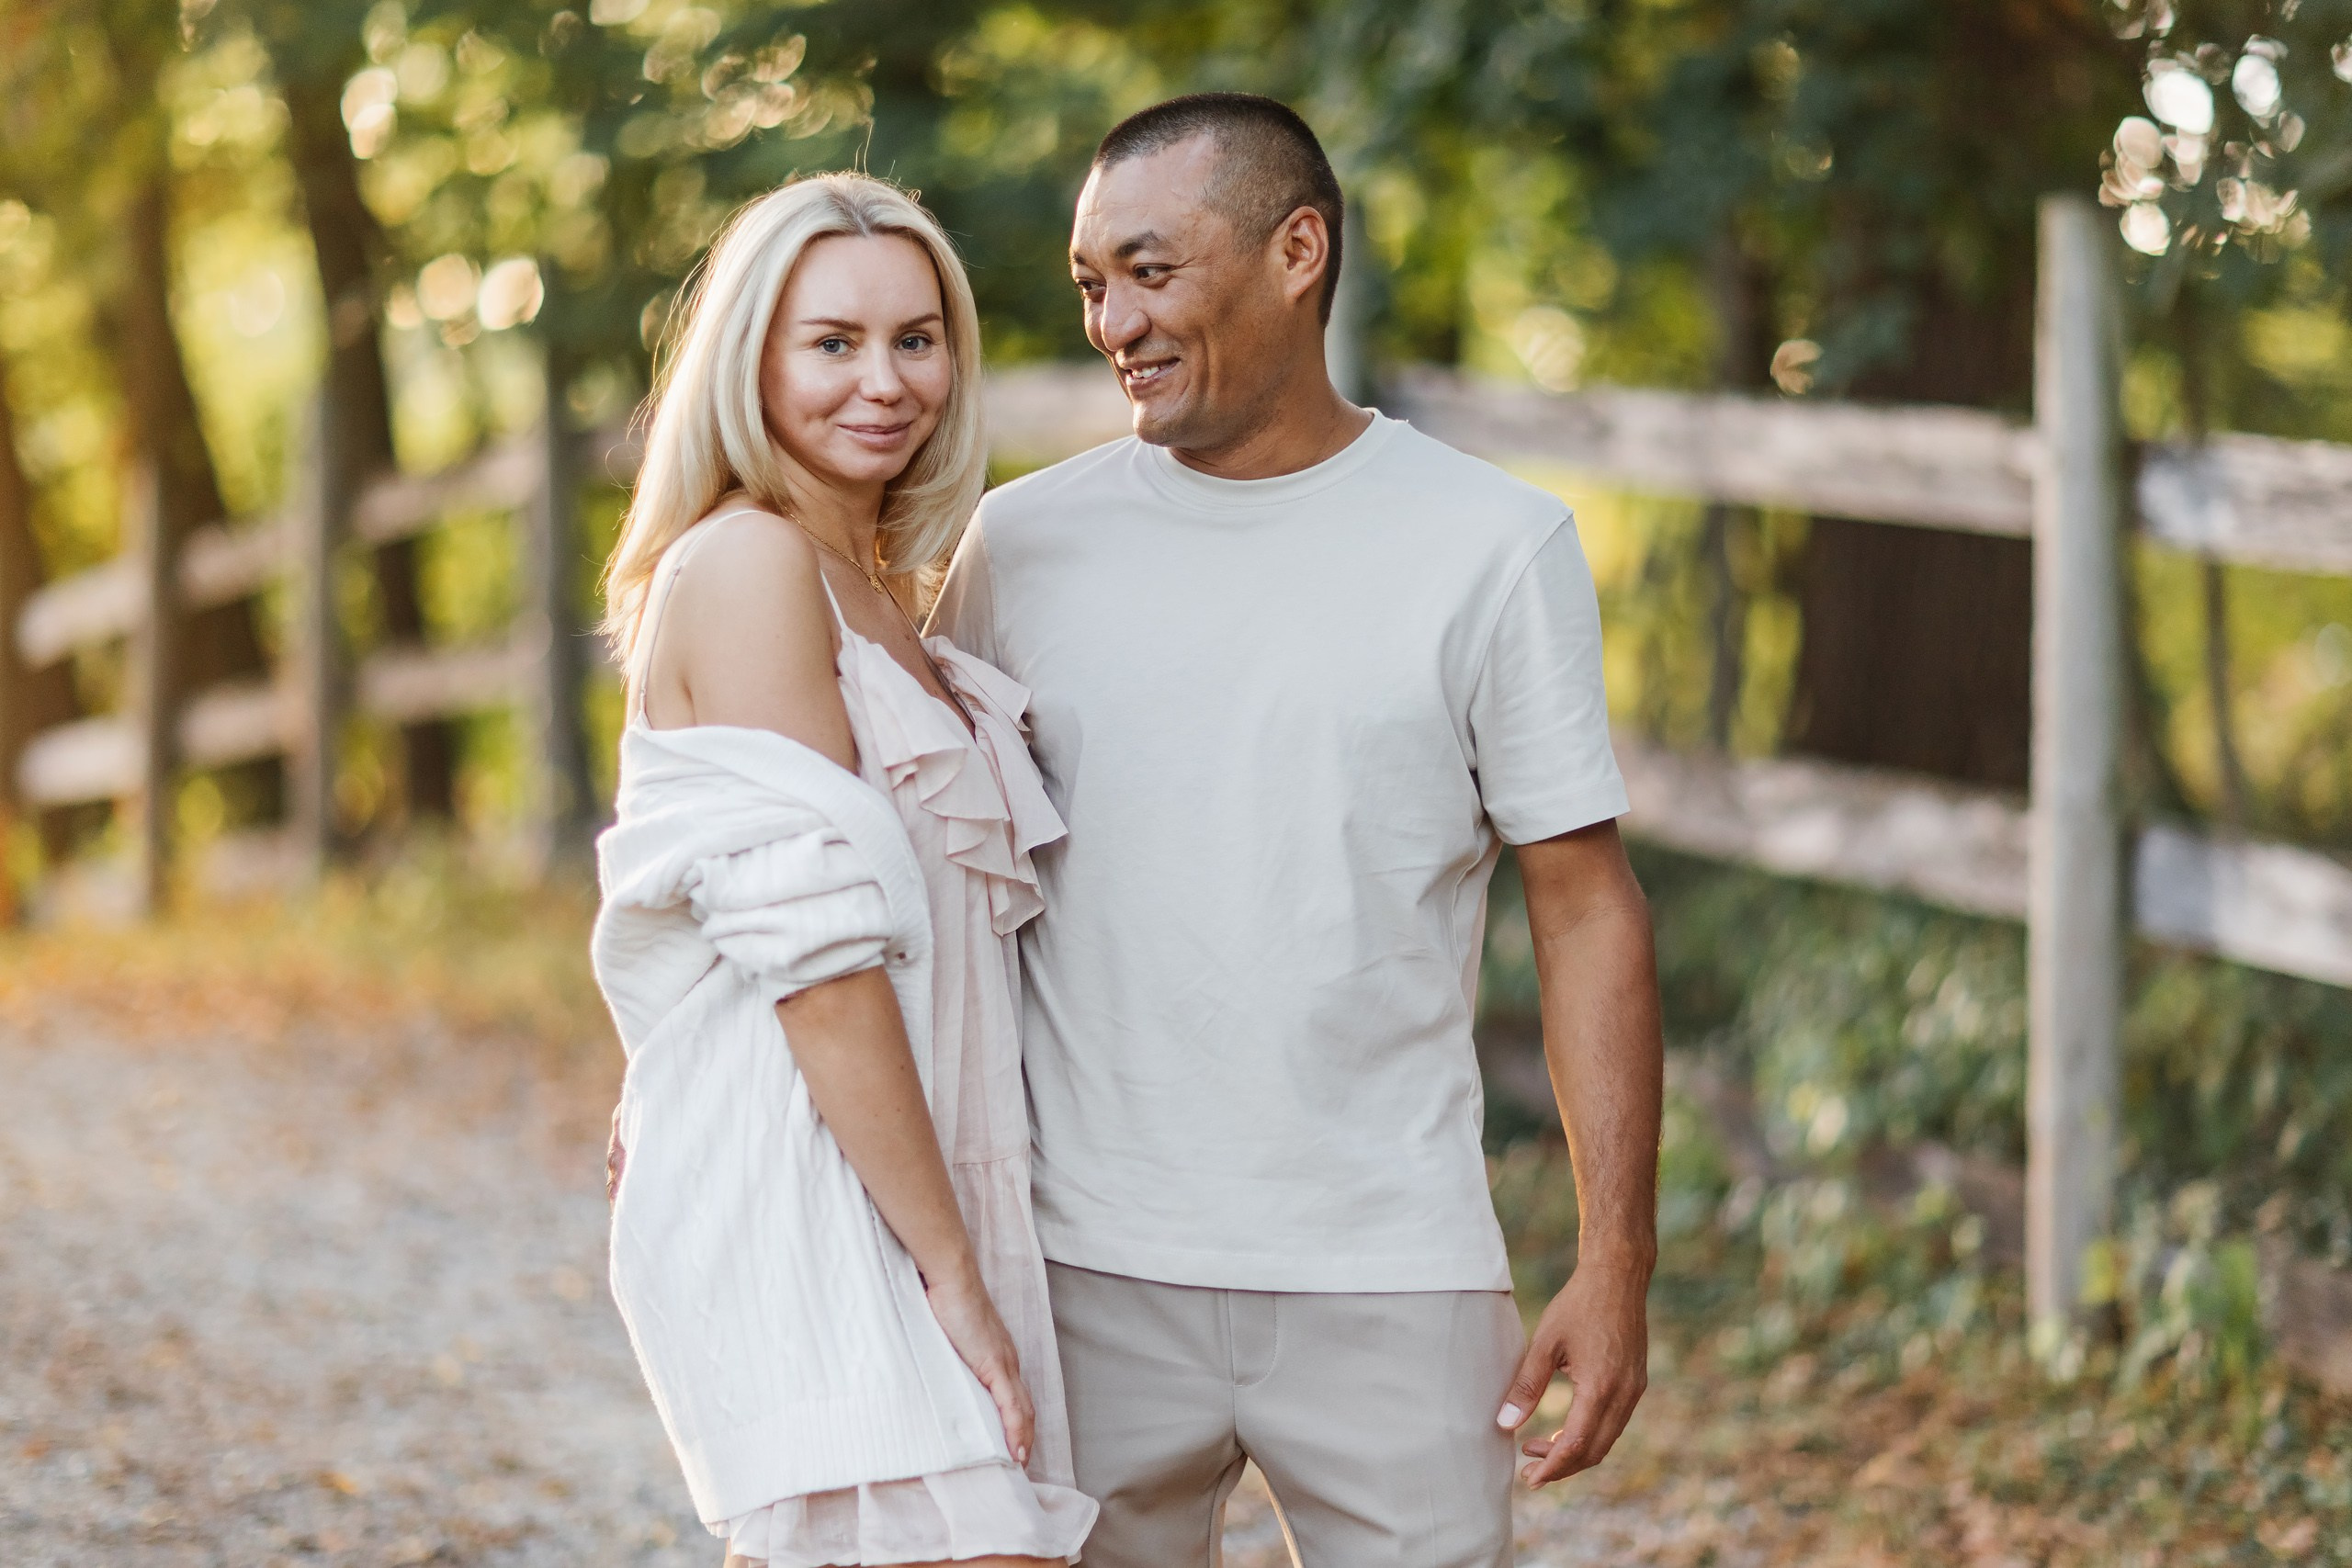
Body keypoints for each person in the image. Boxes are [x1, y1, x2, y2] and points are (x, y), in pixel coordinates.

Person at [928, 95, 1665, 1567]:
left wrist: (1615, 1263)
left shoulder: (1493, 547)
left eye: (1149, 270)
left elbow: (1584, 908)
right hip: (1082, 1267)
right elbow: (916, 865)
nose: (1111, 322)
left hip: (1392, 1266)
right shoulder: (1021, 545)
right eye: (1089, 285)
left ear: (1297, 251)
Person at [592, 172, 1094, 1568]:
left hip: (915, 1158)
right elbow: (817, 968)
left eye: (917, 339)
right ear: (748, 357)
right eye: (833, 342)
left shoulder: (879, 579)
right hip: (821, 1181)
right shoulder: (751, 564)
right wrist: (951, 1273)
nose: (886, 381)